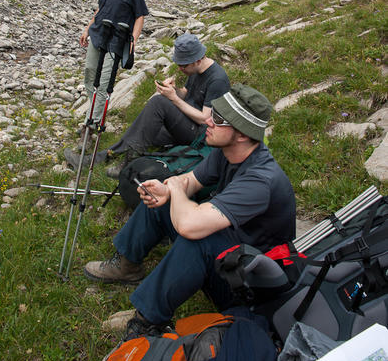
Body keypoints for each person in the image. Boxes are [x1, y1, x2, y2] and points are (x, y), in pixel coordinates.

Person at [84, 83, 296, 339]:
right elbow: (190, 181)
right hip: (231, 254)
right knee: (161, 200)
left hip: (249, 285)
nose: (208, 121)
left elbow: (188, 225)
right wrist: (169, 189)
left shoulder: (261, 180)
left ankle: (146, 321)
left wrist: (174, 188)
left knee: (197, 240)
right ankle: (127, 265)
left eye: (218, 119)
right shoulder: (227, 152)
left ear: (242, 134)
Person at [65, 32, 230, 172]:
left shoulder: (217, 79)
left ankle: (127, 166)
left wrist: (172, 99)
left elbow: (205, 119)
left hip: (200, 135)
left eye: (183, 65)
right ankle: (97, 159)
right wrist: (174, 91)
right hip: (187, 123)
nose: (180, 68)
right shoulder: (194, 70)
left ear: (198, 60)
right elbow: (186, 94)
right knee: (140, 131)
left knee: (158, 103)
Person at [69, 0, 148, 153]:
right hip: (97, 36)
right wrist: (87, 27)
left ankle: (90, 125)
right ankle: (93, 113)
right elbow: (101, 8)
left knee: (103, 83)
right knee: (89, 76)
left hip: (116, 41)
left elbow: (140, 15)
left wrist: (133, 40)